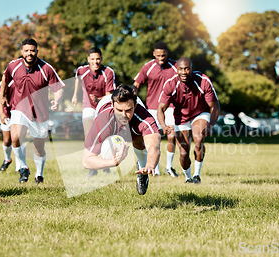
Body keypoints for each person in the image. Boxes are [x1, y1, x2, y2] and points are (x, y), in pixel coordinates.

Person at [0, 38, 64, 184]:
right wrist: (2, 95)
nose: (29, 53)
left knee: (39, 148)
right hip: (19, 109)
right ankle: (23, 167)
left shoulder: (46, 68)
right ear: (22, 51)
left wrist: (57, 100)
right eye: (26, 50)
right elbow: (5, 78)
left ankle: (39, 175)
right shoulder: (13, 66)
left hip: (40, 114)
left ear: (37, 51)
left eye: (32, 50)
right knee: (15, 137)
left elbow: (58, 89)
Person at [82, 84, 161, 195]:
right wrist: (112, 162)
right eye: (119, 110)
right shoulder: (103, 120)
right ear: (112, 105)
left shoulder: (145, 118)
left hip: (135, 127)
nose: (124, 115)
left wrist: (150, 165)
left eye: (128, 110)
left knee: (139, 140)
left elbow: (154, 147)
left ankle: (142, 171)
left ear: (135, 105)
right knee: (102, 142)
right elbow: (86, 160)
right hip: (109, 124)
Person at [157, 57, 220, 184]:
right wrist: (163, 126)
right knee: (184, 153)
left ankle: (197, 175)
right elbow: (160, 109)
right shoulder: (170, 84)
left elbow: (215, 106)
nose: (184, 72)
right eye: (180, 69)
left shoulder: (203, 81)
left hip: (200, 113)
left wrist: (210, 126)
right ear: (176, 70)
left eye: (187, 69)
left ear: (192, 69)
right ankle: (188, 177)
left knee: (199, 138)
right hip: (181, 118)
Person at [133, 41, 178, 177]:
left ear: (167, 54)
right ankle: (155, 169)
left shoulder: (175, 67)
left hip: (170, 107)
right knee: (154, 138)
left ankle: (169, 167)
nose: (160, 58)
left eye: (163, 55)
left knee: (172, 135)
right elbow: (136, 83)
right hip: (152, 107)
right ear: (154, 54)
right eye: (158, 55)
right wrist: (132, 99)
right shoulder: (148, 66)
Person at [72, 48, 115, 176]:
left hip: (104, 106)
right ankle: (93, 168)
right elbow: (77, 80)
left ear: (101, 59)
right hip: (88, 106)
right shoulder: (81, 70)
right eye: (92, 59)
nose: (95, 62)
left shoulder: (108, 72)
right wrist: (75, 95)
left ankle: (105, 163)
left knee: (104, 136)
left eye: (98, 59)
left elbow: (109, 95)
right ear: (88, 59)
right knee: (89, 135)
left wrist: (98, 99)